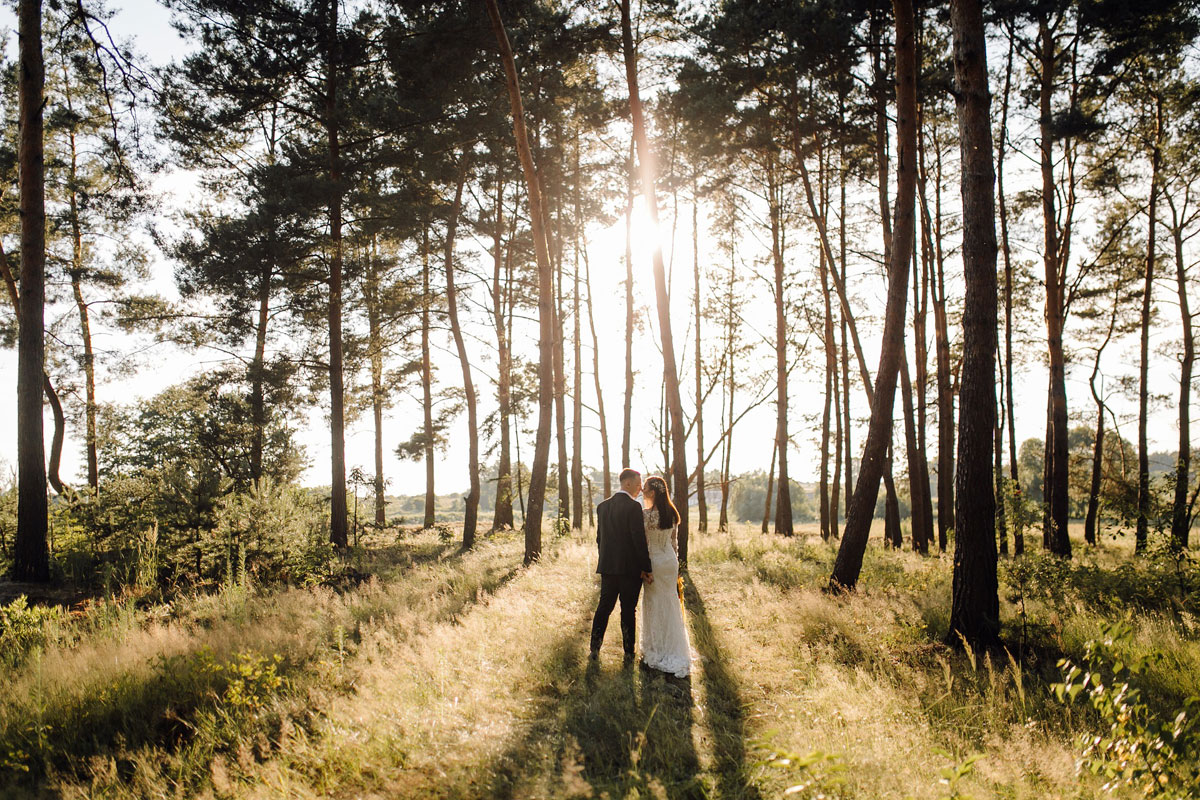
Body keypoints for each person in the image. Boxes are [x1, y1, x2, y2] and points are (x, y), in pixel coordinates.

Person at [589, 468, 653, 662]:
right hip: (630, 570)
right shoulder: (633, 507)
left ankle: (594, 648)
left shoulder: (602, 507)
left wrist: (607, 559)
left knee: (604, 608)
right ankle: (628, 652)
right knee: (628, 611)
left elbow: (600, 539)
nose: (640, 488)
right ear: (627, 483)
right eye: (638, 483)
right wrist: (647, 568)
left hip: (608, 567)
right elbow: (638, 540)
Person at [638, 475, 691, 677]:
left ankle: (657, 648)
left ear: (652, 492)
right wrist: (676, 567)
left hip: (654, 563)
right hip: (669, 561)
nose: (642, 491)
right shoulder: (671, 512)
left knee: (654, 602)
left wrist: (644, 567)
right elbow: (674, 543)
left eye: (645, 488)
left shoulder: (646, 515)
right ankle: (673, 646)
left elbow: (643, 543)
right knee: (670, 602)